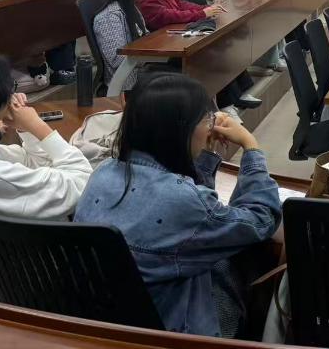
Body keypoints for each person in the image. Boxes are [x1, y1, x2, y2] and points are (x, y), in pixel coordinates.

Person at [74, 73, 281, 337]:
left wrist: (206, 155)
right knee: (257, 262)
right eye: (206, 119)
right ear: (181, 130)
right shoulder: (183, 201)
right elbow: (261, 219)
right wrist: (251, 148)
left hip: (107, 326)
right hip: (173, 331)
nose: (211, 126)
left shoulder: (102, 174)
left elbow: (193, 220)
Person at [0, 47, 92, 219]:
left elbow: (34, 164)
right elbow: (83, 182)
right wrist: (37, 126)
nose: (12, 94)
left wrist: (25, 127)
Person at [136, 0, 261, 110]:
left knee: (224, 44)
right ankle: (227, 105)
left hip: (179, 37)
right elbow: (169, 16)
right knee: (213, 52)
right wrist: (202, 13)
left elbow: (181, 4)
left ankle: (241, 92)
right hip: (167, 47)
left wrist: (207, 9)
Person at [92, 0, 148, 94]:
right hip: (125, 85)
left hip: (140, 73)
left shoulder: (130, 8)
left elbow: (145, 37)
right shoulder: (109, 18)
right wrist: (147, 57)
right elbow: (117, 59)